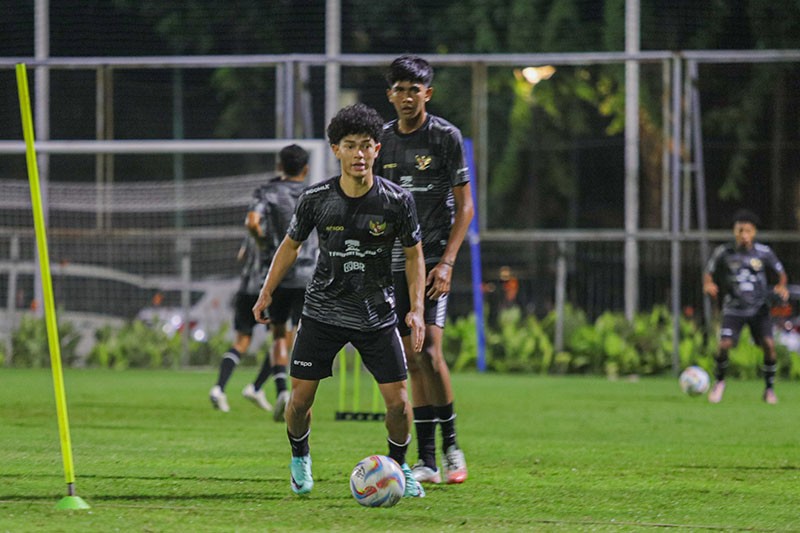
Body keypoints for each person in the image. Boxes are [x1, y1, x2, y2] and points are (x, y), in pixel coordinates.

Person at [252, 103, 427, 498]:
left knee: (399, 404)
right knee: (298, 401)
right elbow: (290, 246)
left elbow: (415, 255)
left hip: (376, 313)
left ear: (377, 151)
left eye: (367, 146)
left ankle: (399, 468)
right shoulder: (316, 198)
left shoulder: (397, 201)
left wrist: (415, 309)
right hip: (323, 311)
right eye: (351, 145)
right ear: (336, 150)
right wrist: (267, 291)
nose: (360, 154)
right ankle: (300, 458)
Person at [375, 54, 473, 484]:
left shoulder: (445, 137)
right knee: (411, 358)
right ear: (390, 95)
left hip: (433, 259)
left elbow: (466, 207)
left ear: (427, 93)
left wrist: (448, 262)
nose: (407, 97)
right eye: (399, 89)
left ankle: (452, 446)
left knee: (430, 351)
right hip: (395, 261)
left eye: (415, 89)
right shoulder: (380, 141)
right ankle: (427, 459)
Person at [210, 144, 317, 421]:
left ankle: (279, 391)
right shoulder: (315, 193)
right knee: (301, 335)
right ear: (305, 169)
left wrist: (263, 244)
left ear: (279, 166)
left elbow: (252, 222)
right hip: (308, 273)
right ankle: (284, 391)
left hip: (278, 273)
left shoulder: (267, 192)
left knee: (278, 335)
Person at [703, 209, 789, 404]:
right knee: (724, 345)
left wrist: (781, 286)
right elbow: (709, 272)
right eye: (740, 230)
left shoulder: (764, 252)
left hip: (759, 309)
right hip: (733, 308)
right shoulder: (724, 252)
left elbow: (781, 274)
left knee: (769, 345)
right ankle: (719, 382)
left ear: (754, 232)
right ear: (734, 232)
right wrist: (708, 284)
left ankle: (769, 389)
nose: (744, 235)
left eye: (748, 231)